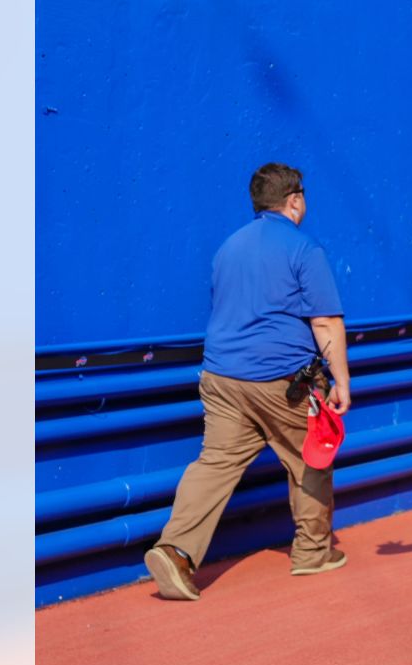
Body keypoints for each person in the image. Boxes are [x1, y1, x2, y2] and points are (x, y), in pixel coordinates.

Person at [144, 163, 352, 601]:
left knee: (215, 464)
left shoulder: (228, 248)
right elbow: (326, 321)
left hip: (221, 377)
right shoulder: (303, 247)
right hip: (282, 380)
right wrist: (341, 381)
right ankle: (312, 553)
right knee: (309, 459)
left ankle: (176, 549)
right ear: (295, 199)